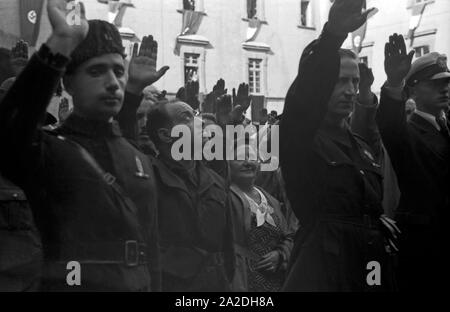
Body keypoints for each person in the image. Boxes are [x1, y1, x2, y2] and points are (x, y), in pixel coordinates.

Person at [0, 1, 162, 291]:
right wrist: (60, 43)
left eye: (118, 71)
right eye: (96, 71)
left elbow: (150, 251)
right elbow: (8, 131)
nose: (113, 82)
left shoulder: (138, 158)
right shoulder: (49, 150)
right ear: (69, 84)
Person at [280, 0, 398, 291]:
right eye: (340, 81)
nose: (350, 91)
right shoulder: (300, 137)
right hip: (324, 270)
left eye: (354, 82)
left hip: (368, 267)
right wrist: (333, 35)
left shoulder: (359, 146)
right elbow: (304, 97)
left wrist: (370, 221)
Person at [376, 34, 450, 290]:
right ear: (413, 89)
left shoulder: (445, 128)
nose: (445, 89)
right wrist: (394, 83)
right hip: (426, 251)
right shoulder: (408, 132)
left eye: (447, 83)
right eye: (435, 84)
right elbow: (390, 126)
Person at [229, 143, 294, 292]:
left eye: (252, 157)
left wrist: (280, 254)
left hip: (276, 281)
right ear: (228, 165)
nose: (247, 162)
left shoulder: (270, 199)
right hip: (241, 281)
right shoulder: (224, 198)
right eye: (239, 158)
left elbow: (289, 235)